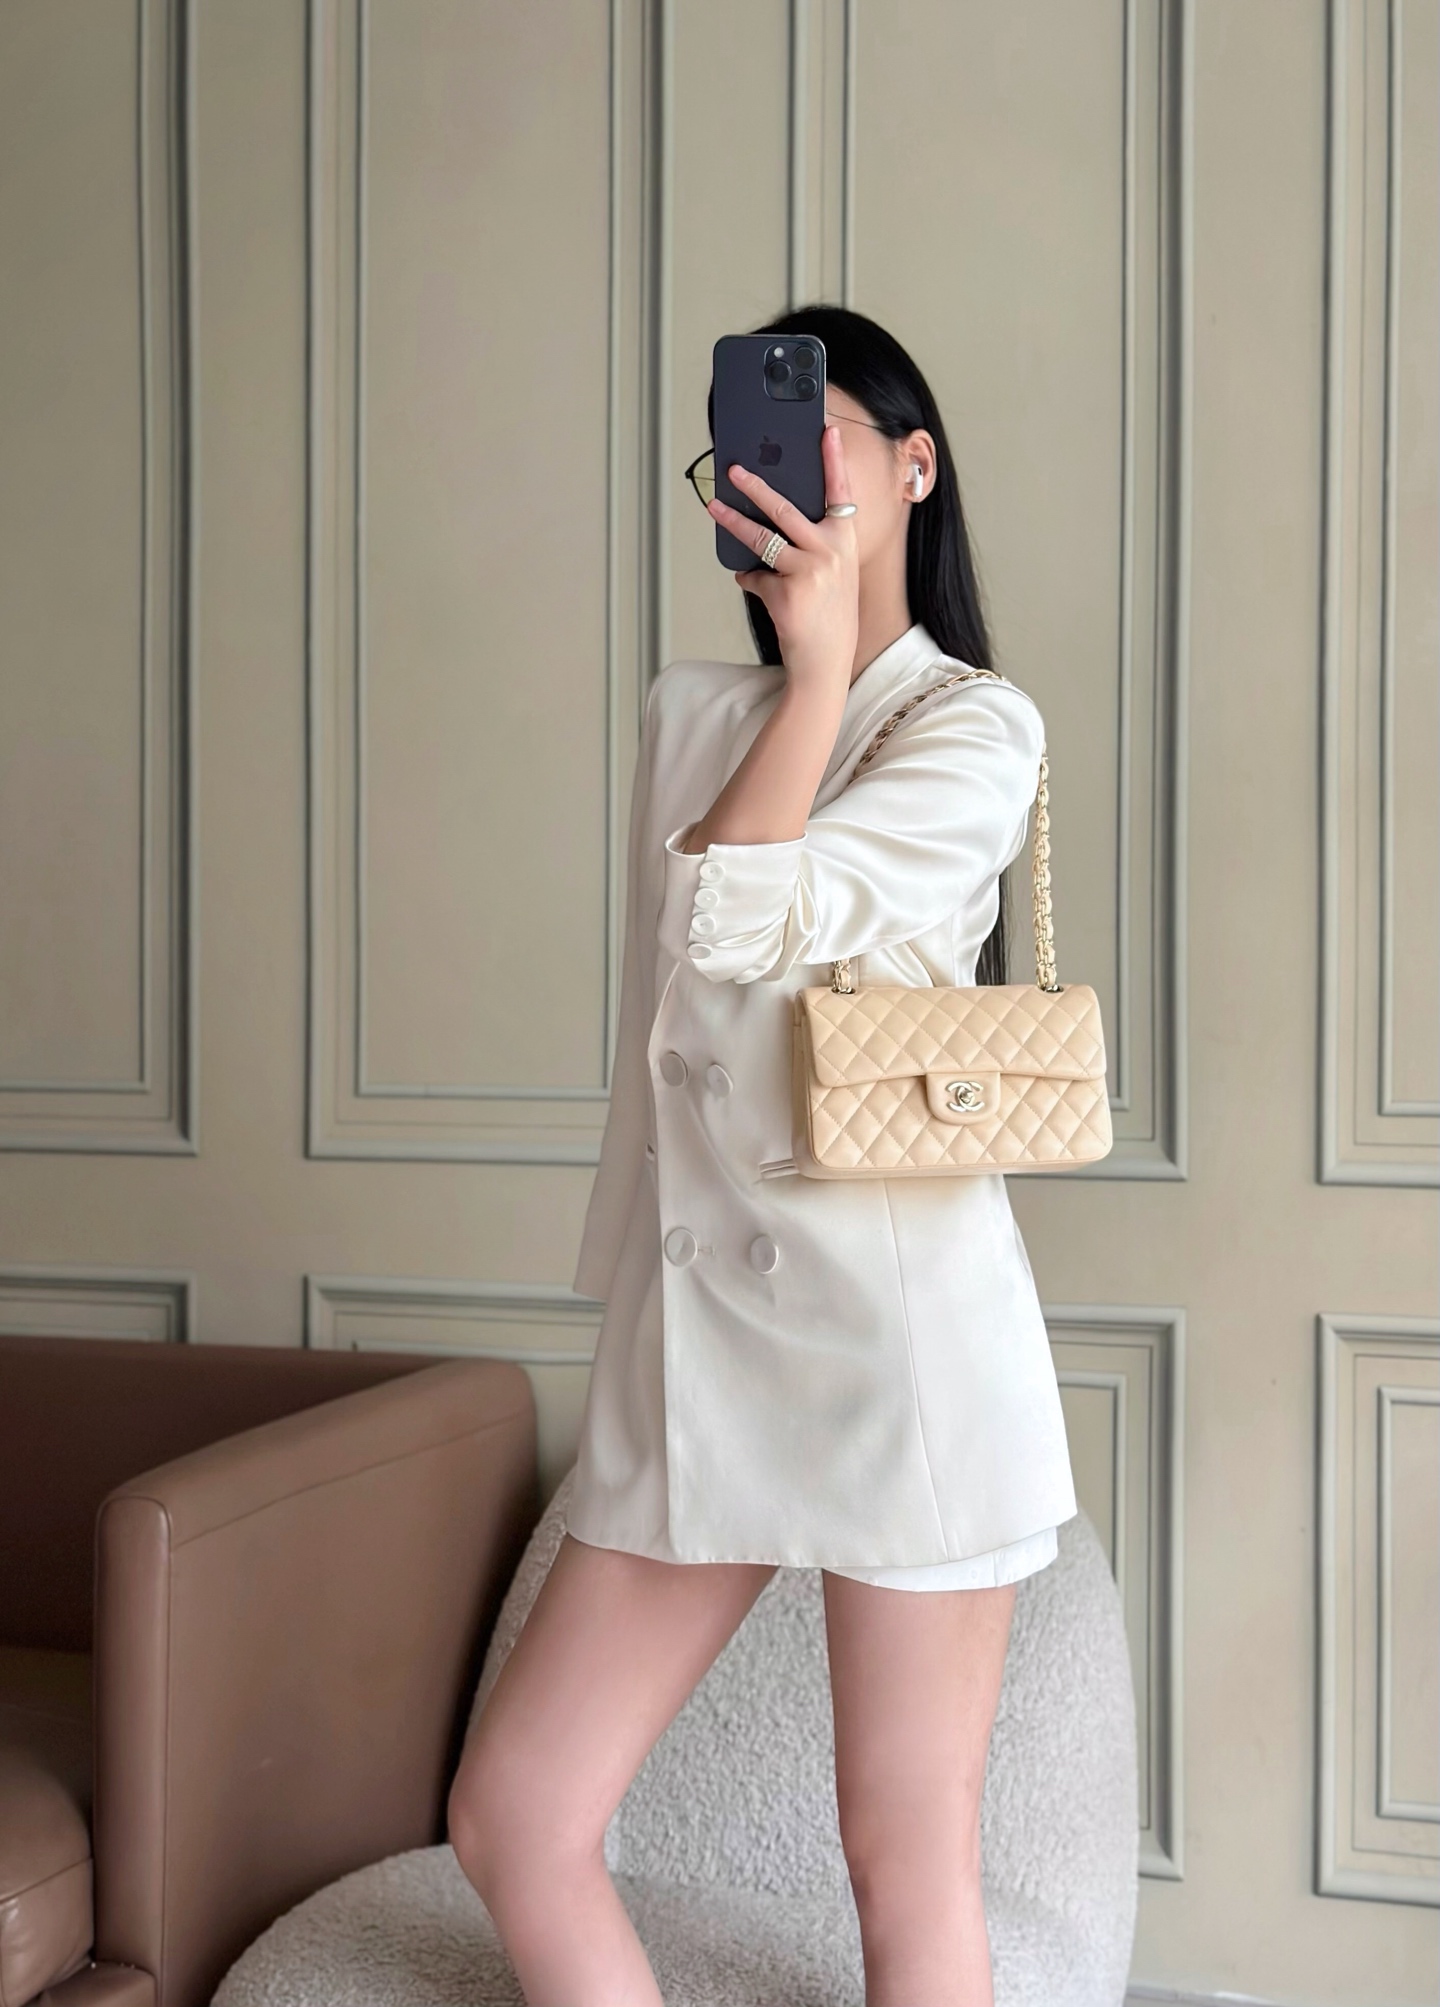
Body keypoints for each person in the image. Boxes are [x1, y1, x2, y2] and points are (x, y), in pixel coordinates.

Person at [447, 304, 1078, 2007]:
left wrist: (815, 680)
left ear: (914, 467)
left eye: (814, 442)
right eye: (741, 459)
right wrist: (788, 687)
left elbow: (733, 919)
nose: (770, 479)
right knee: (515, 1815)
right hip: (701, 1337)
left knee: (906, 1858)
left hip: (904, 1355)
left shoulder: (977, 727)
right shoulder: (689, 712)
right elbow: (678, 994)